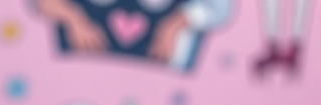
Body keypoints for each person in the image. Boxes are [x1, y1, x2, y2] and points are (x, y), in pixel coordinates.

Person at [34, 0, 233, 73]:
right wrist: (73, 18)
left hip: (160, 85)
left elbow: (219, 8)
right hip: (79, 74)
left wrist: (177, 23)